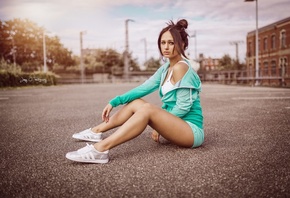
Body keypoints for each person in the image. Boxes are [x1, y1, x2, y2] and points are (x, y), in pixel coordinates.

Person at [66, 19, 204, 164]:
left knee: (148, 109)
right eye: (163, 43)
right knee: (137, 103)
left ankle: (100, 149)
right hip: (176, 125)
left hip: (190, 131)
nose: (166, 47)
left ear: (182, 44)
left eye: (171, 42)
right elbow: (144, 88)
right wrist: (115, 101)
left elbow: (183, 106)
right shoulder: (166, 68)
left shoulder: (181, 67)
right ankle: (96, 131)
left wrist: (160, 128)